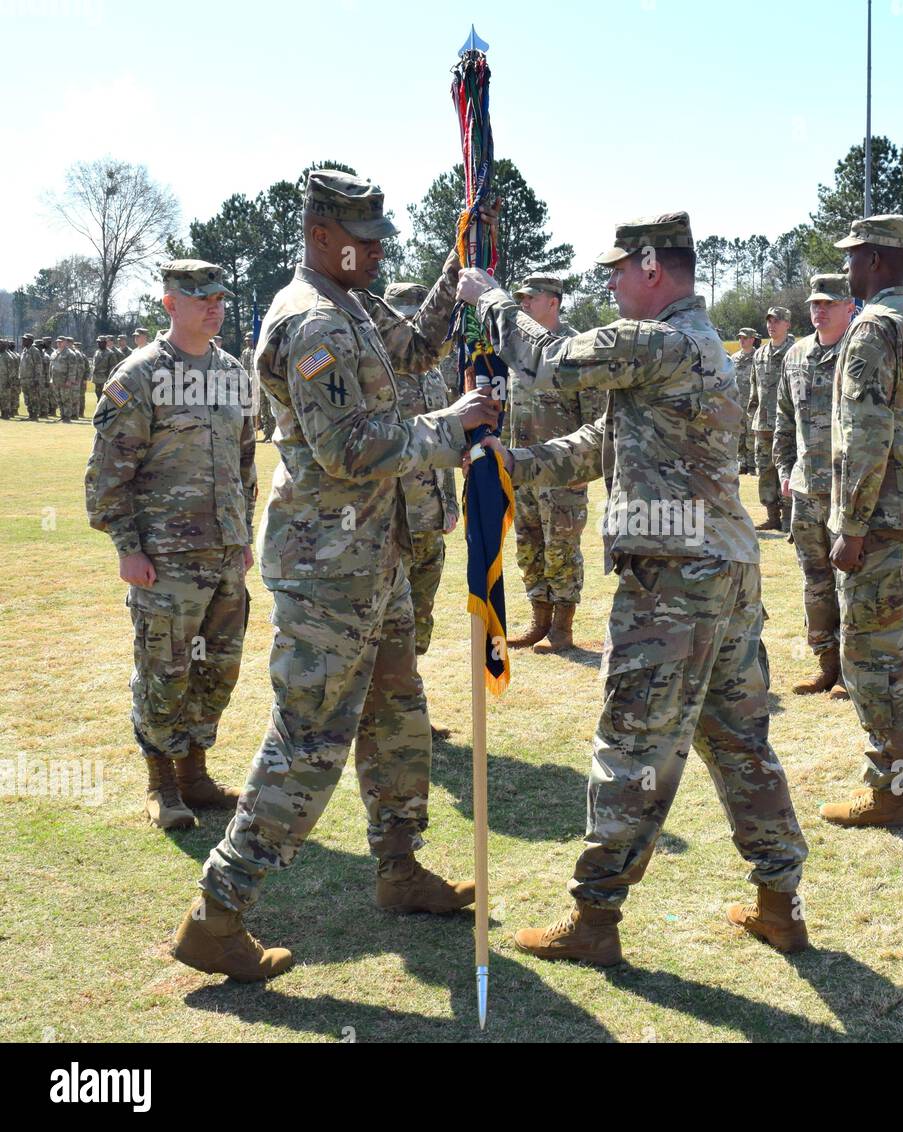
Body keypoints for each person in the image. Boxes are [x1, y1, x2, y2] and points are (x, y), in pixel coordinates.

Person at [172, 171, 499, 983]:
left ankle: (399, 867)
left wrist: (457, 275)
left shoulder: (352, 299)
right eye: (368, 235)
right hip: (327, 571)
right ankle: (218, 914)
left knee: (398, 711)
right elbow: (348, 447)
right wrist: (450, 429)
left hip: (372, 560)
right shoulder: (311, 318)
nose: (382, 247)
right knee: (309, 742)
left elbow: (417, 348)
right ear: (322, 235)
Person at [457, 211, 809, 964]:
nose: (609, 282)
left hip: (673, 583)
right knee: (738, 742)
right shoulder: (692, 347)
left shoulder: (658, 340)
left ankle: (594, 921)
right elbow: (603, 443)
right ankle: (781, 902)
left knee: (631, 748)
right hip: (723, 571)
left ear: (653, 267)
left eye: (618, 269)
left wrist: (488, 299)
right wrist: (514, 460)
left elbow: (549, 361)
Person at [85, 260, 255, 832]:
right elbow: (108, 473)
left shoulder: (233, 374)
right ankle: (161, 782)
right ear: (169, 304)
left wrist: (244, 535)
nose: (214, 306)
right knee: (164, 669)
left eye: (219, 297)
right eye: (199, 296)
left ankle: (195, 772)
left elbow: (245, 462)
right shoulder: (139, 375)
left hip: (225, 556)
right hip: (164, 560)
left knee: (218, 668)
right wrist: (126, 547)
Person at [817, 217, 903, 830]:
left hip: (885, 518)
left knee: (872, 657)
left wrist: (851, 522)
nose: (846, 270)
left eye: (852, 259)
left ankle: (891, 791)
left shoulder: (875, 325)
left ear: (873, 259)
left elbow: (867, 433)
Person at [501, 273, 602, 652]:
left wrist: (583, 470)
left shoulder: (575, 349)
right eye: (521, 299)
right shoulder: (519, 352)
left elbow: (596, 417)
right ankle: (538, 621)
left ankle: (562, 629)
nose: (523, 304)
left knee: (561, 547)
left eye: (531, 298)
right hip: (522, 469)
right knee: (529, 544)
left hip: (562, 471)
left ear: (553, 302)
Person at [773, 274, 854, 695]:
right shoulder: (796, 354)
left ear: (848, 306)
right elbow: (783, 419)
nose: (819, 310)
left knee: (850, 583)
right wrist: (784, 468)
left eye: (828, 303)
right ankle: (825, 663)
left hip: (847, 490)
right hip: (805, 490)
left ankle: (851, 672)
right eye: (814, 304)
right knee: (815, 580)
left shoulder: (860, 351)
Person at [382, 280, 460, 673]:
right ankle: (387, 716)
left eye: (419, 317)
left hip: (430, 517)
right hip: (396, 519)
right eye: (405, 319)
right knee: (389, 622)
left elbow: (441, 441)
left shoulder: (432, 374)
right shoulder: (378, 372)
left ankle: (410, 707)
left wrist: (450, 504)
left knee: (420, 618)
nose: (413, 328)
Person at [750, 306, 795, 531]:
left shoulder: (795, 352)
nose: (771, 325)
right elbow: (754, 391)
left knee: (786, 469)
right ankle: (772, 516)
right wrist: (753, 416)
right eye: (769, 321)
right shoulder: (759, 354)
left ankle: (788, 517)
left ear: (787, 324)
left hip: (787, 424)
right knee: (765, 470)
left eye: (777, 321)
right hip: (763, 424)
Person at [731, 327, 759, 475]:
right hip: (737, 404)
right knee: (738, 434)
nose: (741, 340)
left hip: (752, 404)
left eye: (745, 338)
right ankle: (741, 463)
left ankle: (752, 465)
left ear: (752, 339)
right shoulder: (734, 358)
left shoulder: (758, 357)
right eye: (740, 338)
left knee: (751, 435)